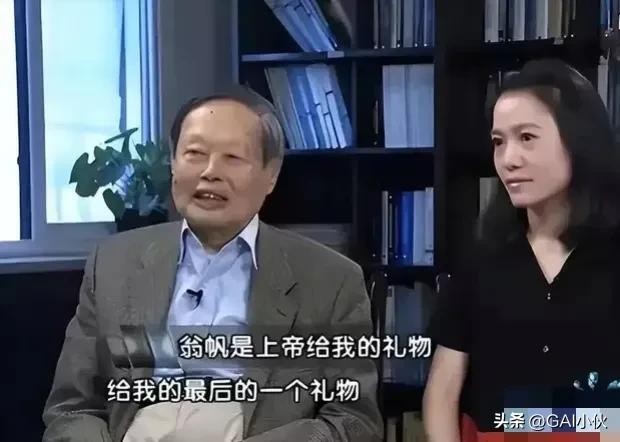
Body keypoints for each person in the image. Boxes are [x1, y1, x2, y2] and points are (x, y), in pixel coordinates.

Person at [42, 85, 383, 442]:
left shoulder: (331, 280)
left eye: (232, 157)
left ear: (271, 175)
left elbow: (353, 422)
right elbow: (72, 408)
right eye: (194, 153)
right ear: (174, 163)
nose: (210, 172)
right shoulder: (113, 263)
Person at [423, 58, 620, 440]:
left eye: (527, 138)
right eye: (499, 142)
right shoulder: (481, 259)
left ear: (579, 142)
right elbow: (442, 393)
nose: (508, 159)